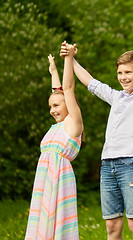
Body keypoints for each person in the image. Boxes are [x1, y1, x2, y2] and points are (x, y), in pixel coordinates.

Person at [60, 38, 133, 240]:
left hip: (131, 164)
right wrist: (71, 58)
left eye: (128, 72)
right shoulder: (115, 97)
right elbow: (90, 82)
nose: (123, 77)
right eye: (120, 73)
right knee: (112, 225)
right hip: (107, 165)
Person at [25, 46, 83, 239]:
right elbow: (58, 91)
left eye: (56, 106)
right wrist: (53, 71)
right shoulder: (56, 127)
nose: (52, 110)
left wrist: (68, 59)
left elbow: (67, 89)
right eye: (50, 106)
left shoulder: (73, 123)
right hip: (44, 179)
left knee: (58, 219)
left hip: (60, 178)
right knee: (43, 217)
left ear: (69, 102)